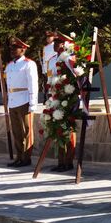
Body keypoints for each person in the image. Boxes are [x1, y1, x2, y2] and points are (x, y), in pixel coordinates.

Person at [5, 37, 38, 167]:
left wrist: (33, 103)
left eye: (15, 48)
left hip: (24, 99)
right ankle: (19, 157)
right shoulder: (9, 65)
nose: (12, 51)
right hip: (13, 101)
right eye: (11, 48)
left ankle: (26, 158)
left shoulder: (28, 64)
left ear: (23, 50)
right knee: (16, 131)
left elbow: (33, 84)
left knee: (27, 130)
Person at [47, 31, 77, 172]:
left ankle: (68, 161)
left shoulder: (70, 58)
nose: (55, 45)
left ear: (65, 44)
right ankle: (60, 161)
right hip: (55, 97)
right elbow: (49, 79)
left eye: (58, 43)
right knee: (57, 128)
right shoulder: (52, 59)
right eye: (54, 43)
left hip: (68, 97)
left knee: (68, 128)